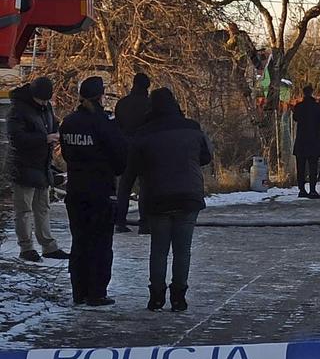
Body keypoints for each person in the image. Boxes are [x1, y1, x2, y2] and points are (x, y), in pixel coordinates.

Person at [127, 88, 212, 312]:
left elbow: (134, 166)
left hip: (158, 196)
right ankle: (179, 297)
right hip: (189, 195)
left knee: (159, 250)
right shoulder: (192, 127)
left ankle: (156, 297)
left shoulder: (144, 132)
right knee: (183, 250)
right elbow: (206, 156)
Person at [60, 76, 127, 306]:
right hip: (100, 191)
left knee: (79, 242)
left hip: (76, 191)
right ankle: (97, 292)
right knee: (100, 243)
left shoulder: (68, 122)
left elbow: (67, 156)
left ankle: (79, 291)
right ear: (101, 96)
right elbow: (120, 159)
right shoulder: (104, 124)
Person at [7, 77, 68, 262]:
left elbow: (51, 125)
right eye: (42, 99)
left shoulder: (45, 107)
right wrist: (45, 138)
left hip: (41, 166)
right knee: (24, 209)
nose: (44, 102)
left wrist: (55, 134)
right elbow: (17, 138)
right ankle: (26, 248)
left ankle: (48, 246)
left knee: (43, 208)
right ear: (34, 95)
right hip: (23, 166)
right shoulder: (18, 110)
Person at [114, 73, 151, 234]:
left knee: (124, 187)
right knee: (146, 187)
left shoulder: (122, 104)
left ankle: (120, 221)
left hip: (126, 149)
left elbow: (118, 126)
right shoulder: (150, 105)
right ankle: (144, 223)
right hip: (145, 150)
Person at [293, 85, 320, 199]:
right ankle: (312, 190)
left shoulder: (299, 107)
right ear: (312, 93)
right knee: (313, 167)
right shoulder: (318, 108)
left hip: (301, 140)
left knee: (300, 167)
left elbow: (295, 118)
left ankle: (301, 189)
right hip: (314, 141)